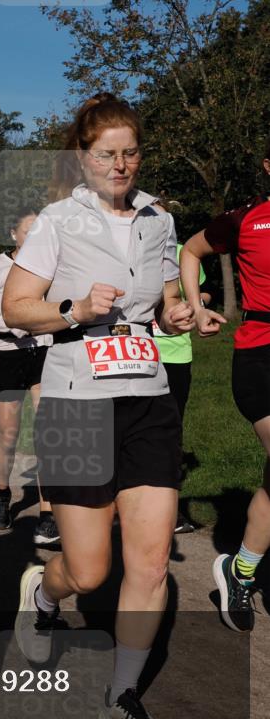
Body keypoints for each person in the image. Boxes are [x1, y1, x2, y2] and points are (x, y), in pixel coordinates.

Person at [2, 93, 194, 719]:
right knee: (88, 571)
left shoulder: (158, 222)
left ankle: (122, 696)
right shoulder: (57, 221)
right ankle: (44, 595)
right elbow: (16, 308)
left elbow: (164, 303)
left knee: (147, 562)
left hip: (148, 398)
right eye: (107, 153)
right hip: (75, 401)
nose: (120, 164)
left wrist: (177, 317)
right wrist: (76, 308)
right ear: (83, 157)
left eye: (130, 151)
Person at [180, 140, 270, 634]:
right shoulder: (246, 219)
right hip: (260, 354)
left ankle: (242, 569)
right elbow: (191, 251)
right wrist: (196, 307)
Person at [0, 210, 57, 541]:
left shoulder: (52, 265)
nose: (35, 238)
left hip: (44, 353)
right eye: (28, 231)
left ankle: (47, 511)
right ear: (13, 233)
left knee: (47, 431)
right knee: (8, 434)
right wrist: (11, 325)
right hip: (7, 355)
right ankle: (3, 492)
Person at [151, 212, 214, 534]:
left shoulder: (179, 252)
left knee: (171, 430)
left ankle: (169, 512)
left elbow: (202, 294)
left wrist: (193, 304)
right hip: (134, 355)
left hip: (175, 354)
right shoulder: (124, 251)